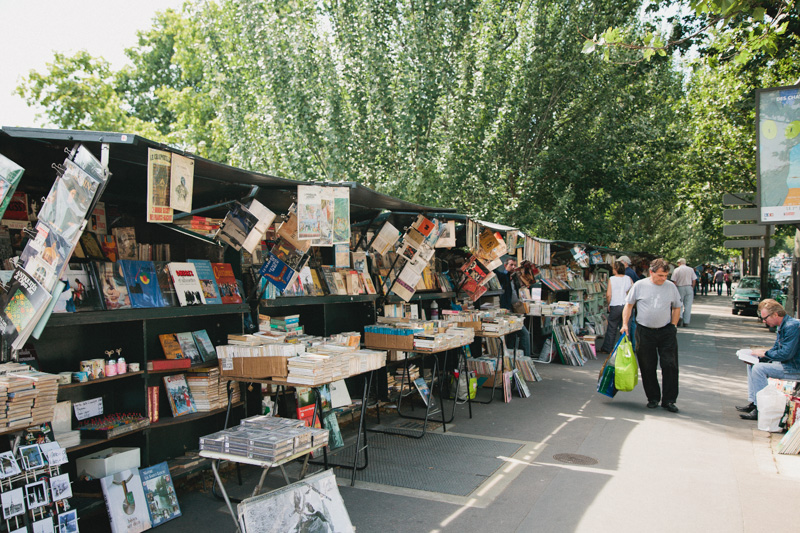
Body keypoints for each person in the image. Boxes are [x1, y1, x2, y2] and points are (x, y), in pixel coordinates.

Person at [620, 258, 682, 412]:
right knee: (647, 366)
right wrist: (625, 324)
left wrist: (673, 326)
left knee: (670, 365)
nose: (663, 279)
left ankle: (669, 400)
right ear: (651, 272)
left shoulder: (671, 287)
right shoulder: (640, 285)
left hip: (666, 331)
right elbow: (629, 306)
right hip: (644, 331)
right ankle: (653, 397)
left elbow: (677, 307)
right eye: (660, 275)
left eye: (666, 275)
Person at [737, 299, 800, 420]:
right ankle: (754, 402)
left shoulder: (792, 326)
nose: (764, 321)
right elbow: (777, 349)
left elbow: (786, 354)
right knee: (752, 364)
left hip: (793, 367)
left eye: (765, 318)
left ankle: (761, 409)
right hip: (788, 364)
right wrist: (762, 356)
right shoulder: (783, 325)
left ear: (776, 314)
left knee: (759, 369)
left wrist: (765, 353)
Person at [495, 257, 531, 358]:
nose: (513, 267)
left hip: (514, 312)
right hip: (508, 312)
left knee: (512, 336)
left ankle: (512, 358)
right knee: (524, 334)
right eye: (511, 265)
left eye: (515, 265)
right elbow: (497, 274)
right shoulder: (504, 276)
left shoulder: (514, 278)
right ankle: (527, 358)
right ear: (505, 265)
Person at [598, 261, 633, 354]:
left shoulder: (612, 279)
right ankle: (626, 349)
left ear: (616, 269)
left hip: (615, 305)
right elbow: (633, 291)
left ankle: (607, 348)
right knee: (626, 327)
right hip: (627, 305)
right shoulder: (628, 278)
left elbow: (609, 294)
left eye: (613, 268)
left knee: (612, 327)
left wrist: (609, 303)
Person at [671, 258, 697, 327]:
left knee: (679, 304)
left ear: (679, 263)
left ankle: (679, 317)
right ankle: (686, 321)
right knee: (688, 305)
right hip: (689, 287)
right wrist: (692, 287)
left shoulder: (676, 270)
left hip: (679, 288)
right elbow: (694, 280)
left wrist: (674, 290)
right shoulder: (690, 269)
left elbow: (674, 281)